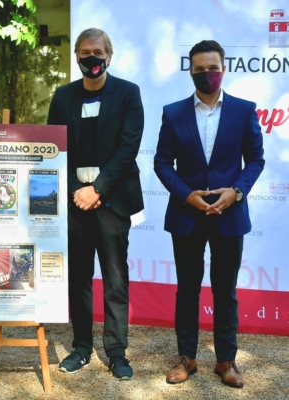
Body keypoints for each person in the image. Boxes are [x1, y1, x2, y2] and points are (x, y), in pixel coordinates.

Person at [154, 40, 264, 388]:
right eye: (199, 69)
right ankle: (186, 358)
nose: (207, 74)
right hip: (187, 216)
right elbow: (161, 162)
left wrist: (236, 192)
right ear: (190, 71)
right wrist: (187, 195)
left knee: (225, 291)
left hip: (229, 216)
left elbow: (256, 160)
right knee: (187, 290)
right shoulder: (173, 112)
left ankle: (226, 361)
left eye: (212, 68)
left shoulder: (244, 110)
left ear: (224, 69)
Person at [47, 28, 144, 380]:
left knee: (116, 281)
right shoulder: (63, 97)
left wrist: (97, 190)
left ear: (109, 55)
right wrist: (77, 190)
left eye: (98, 52)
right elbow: (54, 149)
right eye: (85, 52)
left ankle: (117, 352)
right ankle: (82, 348)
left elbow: (127, 149)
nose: (92, 58)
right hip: (75, 203)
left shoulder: (128, 94)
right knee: (79, 280)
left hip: (113, 202)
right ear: (77, 56)